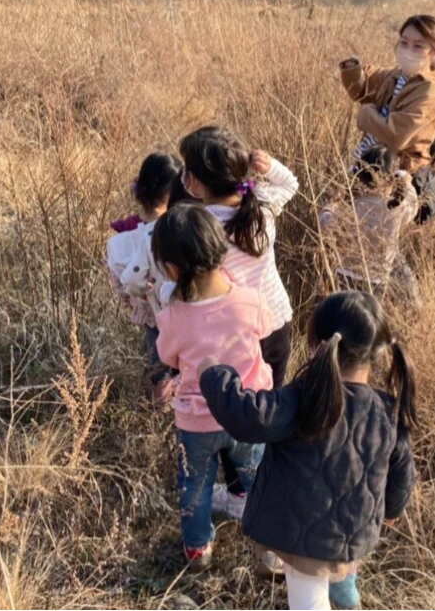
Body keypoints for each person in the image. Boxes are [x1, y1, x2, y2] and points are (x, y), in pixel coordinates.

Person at [198, 291, 418, 610]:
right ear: (377, 351)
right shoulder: (386, 409)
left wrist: (214, 375)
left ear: (318, 344)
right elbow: (402, 469)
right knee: (342, 560)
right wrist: (393, 509)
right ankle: (345, 595)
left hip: (302, 537)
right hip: (353, 530)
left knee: (308, 601)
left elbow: (248, 417)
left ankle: (337, 596)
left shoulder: (303, 400)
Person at [178, 126, 299, 540]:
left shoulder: (199, 226)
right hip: (277, 326)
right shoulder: (260, 206)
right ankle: (264, 488)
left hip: (232, 335)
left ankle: (237, 491)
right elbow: (291, 183)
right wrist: (268, 167)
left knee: (231, 410)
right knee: (267, 408)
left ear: (194, 181)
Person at [152, 203, 275, 570]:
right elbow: (266, 328)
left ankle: (197, 548)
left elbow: (167, 355)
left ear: (172, 269)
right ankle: (268, 546)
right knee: (259, 480)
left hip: (196, 421)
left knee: (195, 484)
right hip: (247, 414)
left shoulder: (173, 316)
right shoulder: (248, 300)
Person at [340, 14, 435, 225]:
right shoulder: (395, 77)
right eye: (404, 42)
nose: (408, 50)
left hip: (402, 178)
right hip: (372, 171)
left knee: (384, 239)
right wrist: (352, 70)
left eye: (418, 46)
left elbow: (396, 136)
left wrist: (366, 114)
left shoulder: (429, 90)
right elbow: (362, 90)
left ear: (434, 54)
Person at [107, 153, 180, 393]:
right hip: (181, 314)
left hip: (150, 316)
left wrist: (137, 301)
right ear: (171, 192)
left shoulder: (122, 237)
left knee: (158, 365)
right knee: (186, 365)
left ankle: (158, 403)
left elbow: (119, 283)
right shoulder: (173, 231)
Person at [320, 144, 419, 302]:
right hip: (377, 281)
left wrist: (334, 201)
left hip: (344, 274)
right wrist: (406, 182)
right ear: (392, 179)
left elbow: (325, 223)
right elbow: (414, 203)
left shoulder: (349, 205)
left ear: (359, 174)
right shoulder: (397, 208)